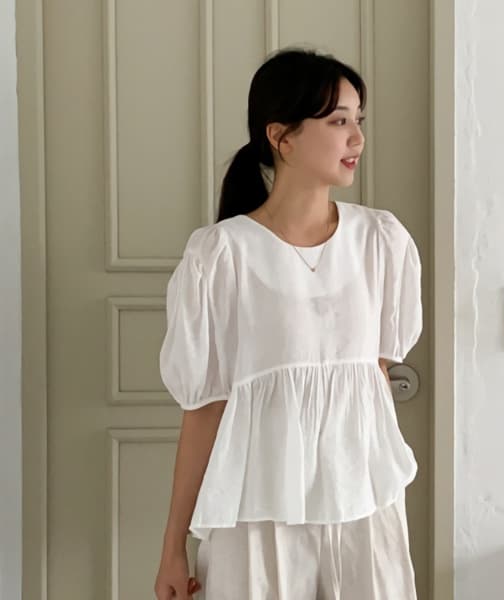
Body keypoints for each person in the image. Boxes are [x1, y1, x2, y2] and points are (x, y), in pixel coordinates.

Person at [154, 46, 423, 600]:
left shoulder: (381, 242)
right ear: (282, 136)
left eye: (359, 120)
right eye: (338, 121)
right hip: (259, 513)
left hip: (363, 510)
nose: (357, 138)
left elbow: (370, 384)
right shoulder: (222, 256)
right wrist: (173, 545)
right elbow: (204, 410)